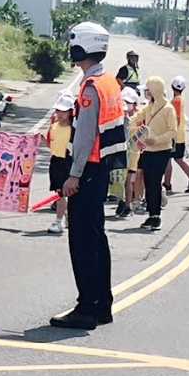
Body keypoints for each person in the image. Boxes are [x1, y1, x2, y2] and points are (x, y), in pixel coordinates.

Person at [50, 22, 127, 330]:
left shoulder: (91, 88)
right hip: (102, 168)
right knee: (97, 238)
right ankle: (102, 304)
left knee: (82, 240)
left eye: (72, 43)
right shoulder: (109, 82)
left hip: (89, 170)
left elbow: (83, 137)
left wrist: (74, 175)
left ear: (82, 46)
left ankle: (86, 307)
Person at [134, 76, 177, 230]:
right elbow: (137, 119)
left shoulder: (168, 109)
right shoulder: (149, 107)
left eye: (148, 90)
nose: (146, 93)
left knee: (154, 183)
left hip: (161, 150)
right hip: (148, 150)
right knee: (148, 182)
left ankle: (155, 216)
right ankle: (152, 214)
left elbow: (173, 131)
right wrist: (132, 128)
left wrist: (157, 140)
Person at [46, 93, 76, 235]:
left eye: (63, 111)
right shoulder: (54, 126)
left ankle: (60, 221)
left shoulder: (74, 129)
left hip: (68, 162)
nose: (60, 113)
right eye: (58, 110)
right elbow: (51, 144)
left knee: (65, 193)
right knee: (60, 193)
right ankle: (64, 219)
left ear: (71, 112)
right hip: (56, 161)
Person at [164, 76, 189, 193]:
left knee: (169, 160)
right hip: (179, 135)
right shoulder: (180, 99)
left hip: (175, 136)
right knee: (177, 159)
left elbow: (177, 118)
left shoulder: (176, 100)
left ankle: (168, 184)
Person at [112, 86, 142, 218]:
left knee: (129, 180)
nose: (126, 105)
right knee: (119, 179)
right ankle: (121, 202)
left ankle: (128, 205)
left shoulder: (137, 119)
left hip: (133, 154)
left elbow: (139, 138)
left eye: (128, 102)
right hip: (120, 153)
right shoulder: (119, 118)